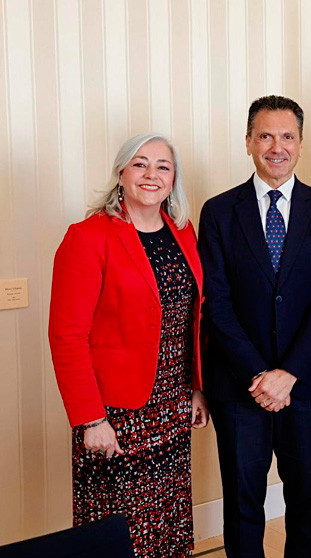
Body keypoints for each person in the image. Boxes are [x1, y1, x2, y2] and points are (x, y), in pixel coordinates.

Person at [49, 133, 208, 556]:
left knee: (168, 522)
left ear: (174, 180)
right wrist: (89, 419)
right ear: (121, 173)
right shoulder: (87, 237)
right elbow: (67, 337)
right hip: (115, 415)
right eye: (140, 164)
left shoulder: (182, 231)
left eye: (163, 166)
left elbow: (189, 319)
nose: (151, 175)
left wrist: (195, 387)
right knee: (120, 533)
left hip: (172, 407)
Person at [198, 95, 311, 556]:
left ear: (301, 145)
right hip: (240, 386)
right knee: (243, 502)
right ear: (247, 142)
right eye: (265, 136)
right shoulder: (219, 212)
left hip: (305, 385)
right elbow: (215, 304)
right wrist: (260, 375)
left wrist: (289, 373)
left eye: (287, 136)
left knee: (305, 499)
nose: (276, 147)